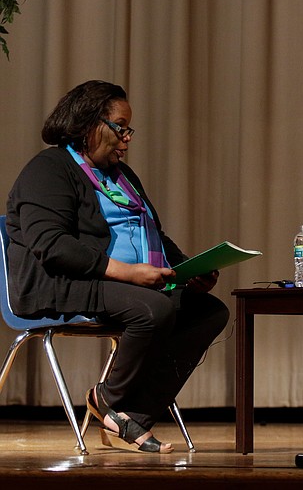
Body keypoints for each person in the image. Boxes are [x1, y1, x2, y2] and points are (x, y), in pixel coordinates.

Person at [5, 80, 230, 454]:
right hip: (61, 282)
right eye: (120, 128)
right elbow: (52, 246)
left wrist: (187, 269)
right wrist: (128, 273)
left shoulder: (122, 176)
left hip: (122, 285)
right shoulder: (48, 170)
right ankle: (107, 399)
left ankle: (132, 417)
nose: (127, 139)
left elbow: (152, 233)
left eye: (129, 130)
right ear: (89, 124)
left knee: (209, 312)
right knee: (153, 308)